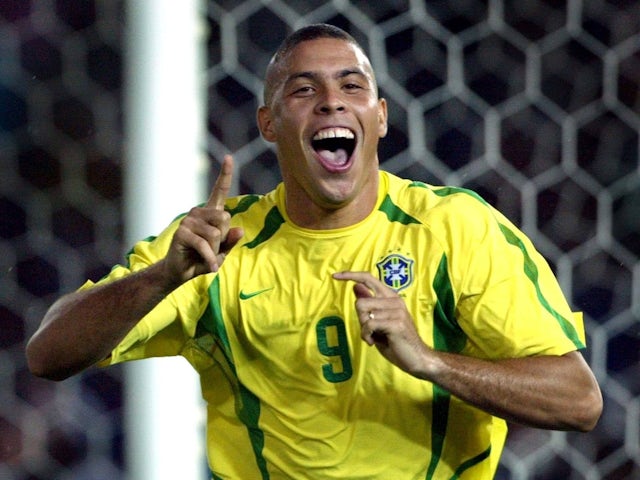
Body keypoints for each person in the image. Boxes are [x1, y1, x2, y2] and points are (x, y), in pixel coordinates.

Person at [27, 23, 602, 479]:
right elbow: (48, 354)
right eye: (303, 90)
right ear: (269, 124)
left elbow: (579, 401)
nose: (331, 101)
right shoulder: (215, 244)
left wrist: (428, 360)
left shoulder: (455, 229)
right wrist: (162, 279)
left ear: (380, 117)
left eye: (352, 86)